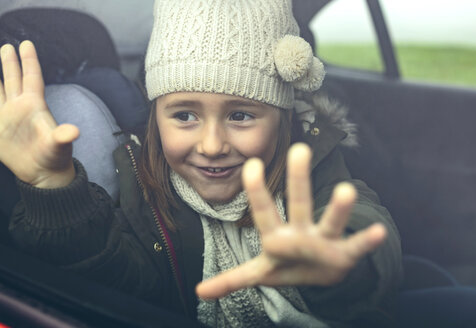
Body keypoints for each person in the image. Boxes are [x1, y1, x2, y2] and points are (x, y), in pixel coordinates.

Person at [0, 0, 402, 327]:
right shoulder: (142, 191)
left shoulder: (312, 167)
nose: (211, 146)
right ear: (155, 118)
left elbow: (364, 218)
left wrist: (338, 260)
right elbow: (121, 284)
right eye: (184, 116)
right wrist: (52, 184)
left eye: (240, 115)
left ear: (283, 120)